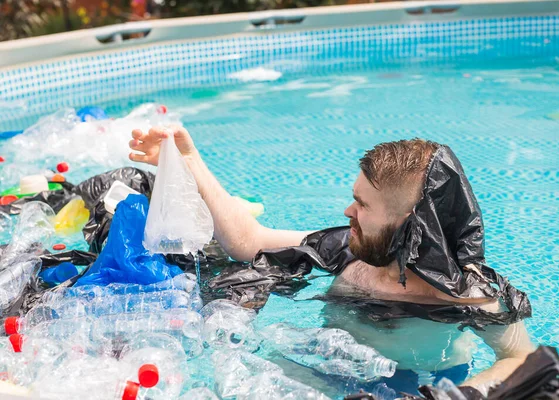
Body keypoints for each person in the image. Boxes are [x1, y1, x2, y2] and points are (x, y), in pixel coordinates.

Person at [129, 126, 535, 394]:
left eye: (362, 204)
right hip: (323, 378)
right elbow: (248, 241)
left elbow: (521, 359)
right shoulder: (350, 251)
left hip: (419, 386)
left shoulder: (470, 297)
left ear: (411, 228)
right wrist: (190, 162)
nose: (347, 211)